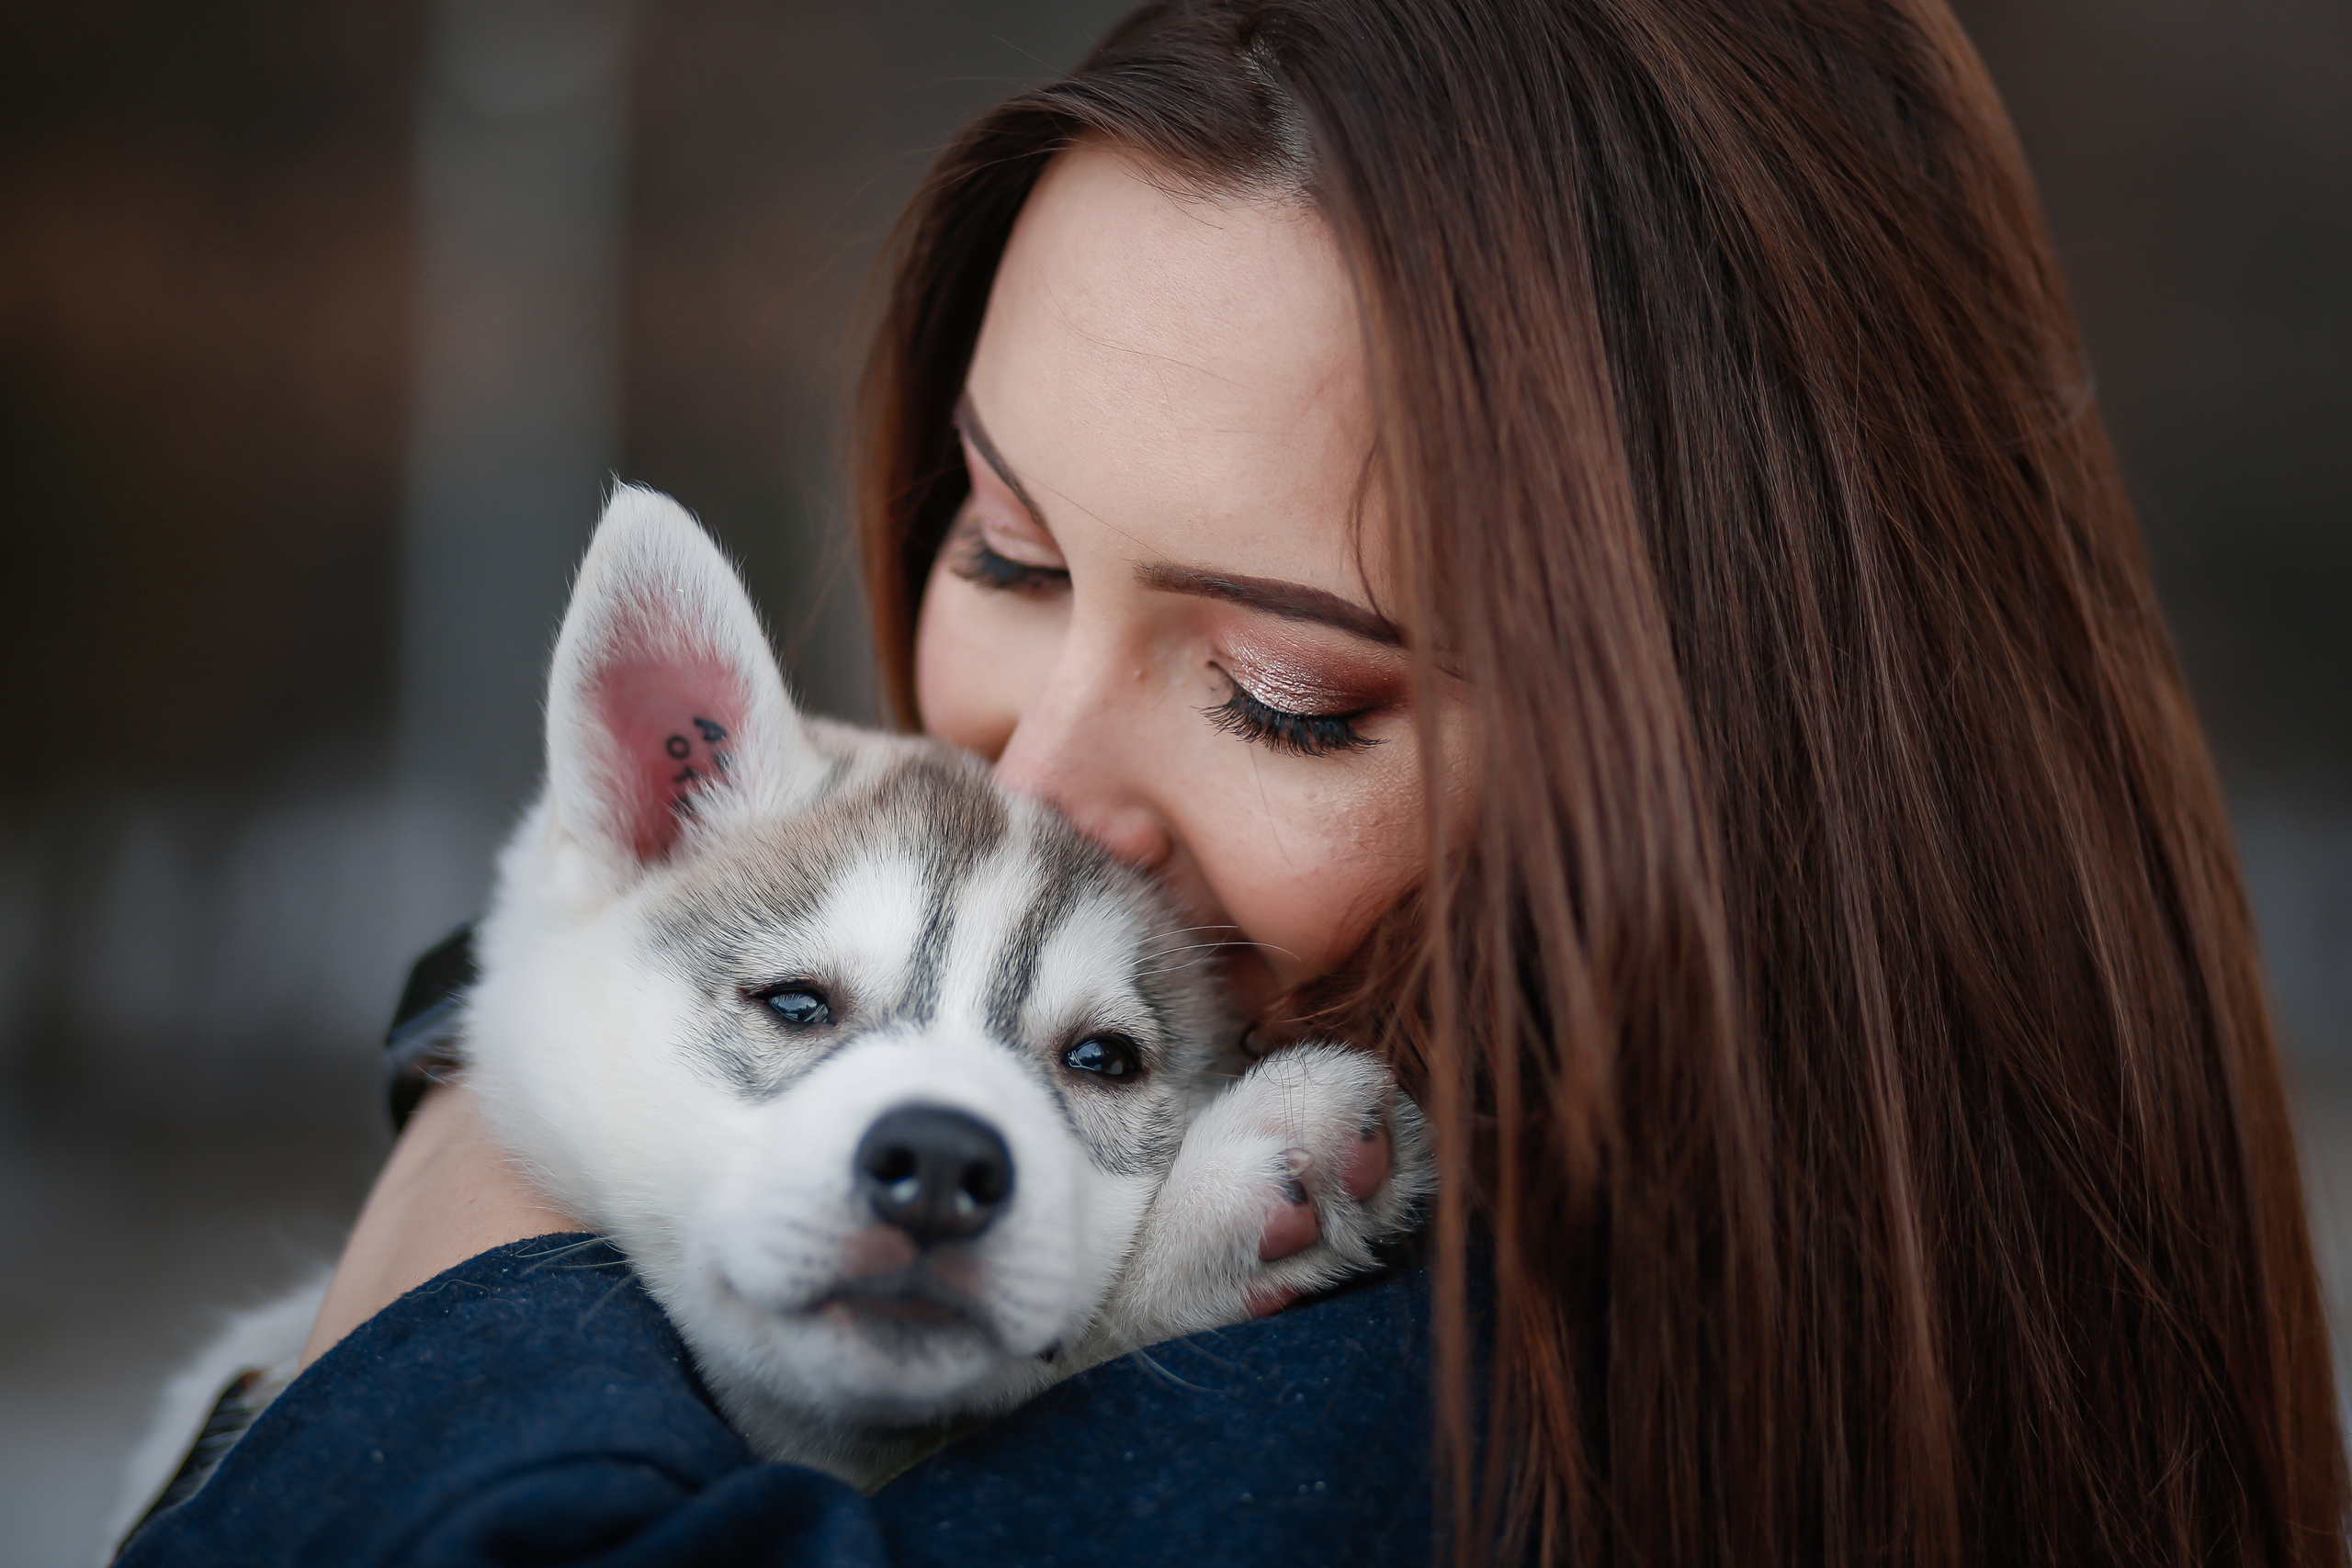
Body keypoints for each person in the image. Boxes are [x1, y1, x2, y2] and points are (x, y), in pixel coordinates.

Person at [121, 1, 2349, 1564]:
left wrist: (463, 1214)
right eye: (1000, 545)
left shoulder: (1470, 1416)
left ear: (1724, 762)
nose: (1044, 773)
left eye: (1283, 688)